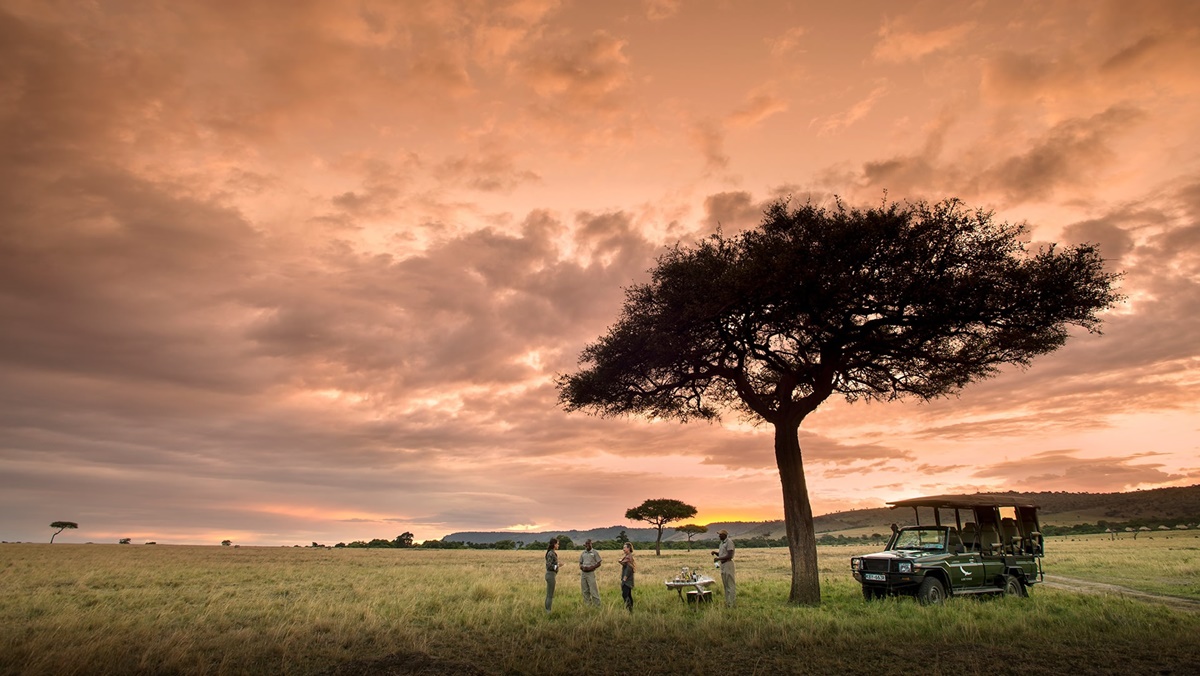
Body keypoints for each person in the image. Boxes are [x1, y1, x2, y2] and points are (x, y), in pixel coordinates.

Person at [710, 529, 736, 607]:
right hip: (723, 565)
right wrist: (716, 553)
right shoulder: (722, 543)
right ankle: (728, 603)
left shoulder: (729, 542)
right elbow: (722, 554)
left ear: (725, 535)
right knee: (725, 585)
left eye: (720, 534)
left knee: (730, 585)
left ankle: (732, 603)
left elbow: (730, 555)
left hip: (728, 564)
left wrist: (718, 559)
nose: (719, 536)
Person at [579, 538, 602, 607]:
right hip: (583, 573)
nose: (587, 545)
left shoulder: (595, 552)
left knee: (593, 590)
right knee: (585, 590)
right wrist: (582, 567)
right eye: (586, 544)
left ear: (591, 544)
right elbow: (580, 562)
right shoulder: (583, 553)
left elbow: (599, 563)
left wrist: (592, 567)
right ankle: (587, 605)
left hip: (591, 573)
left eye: (589, 544)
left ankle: (597, 605)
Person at [618, 542, 635, 612]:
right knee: (629, 594)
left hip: (627, 579)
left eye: (624, 547)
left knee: (625, 594)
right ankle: (630, 609)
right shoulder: (628, 556)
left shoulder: (628, 557)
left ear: (629, 548)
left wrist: (625, 577)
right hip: (629, 579)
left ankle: (629, 609)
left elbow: (629, 568)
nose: (623, 549)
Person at [544, 538, 559, 613]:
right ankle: (548, 611)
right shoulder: (551, 553)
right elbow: (549, 565)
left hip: (551, 575)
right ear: (554, 544)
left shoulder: (551, 552)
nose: (558, 545)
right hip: (550, 574)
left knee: (549, 594)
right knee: (550, 595)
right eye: (557, 544)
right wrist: (558, 566)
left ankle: (547, 609)